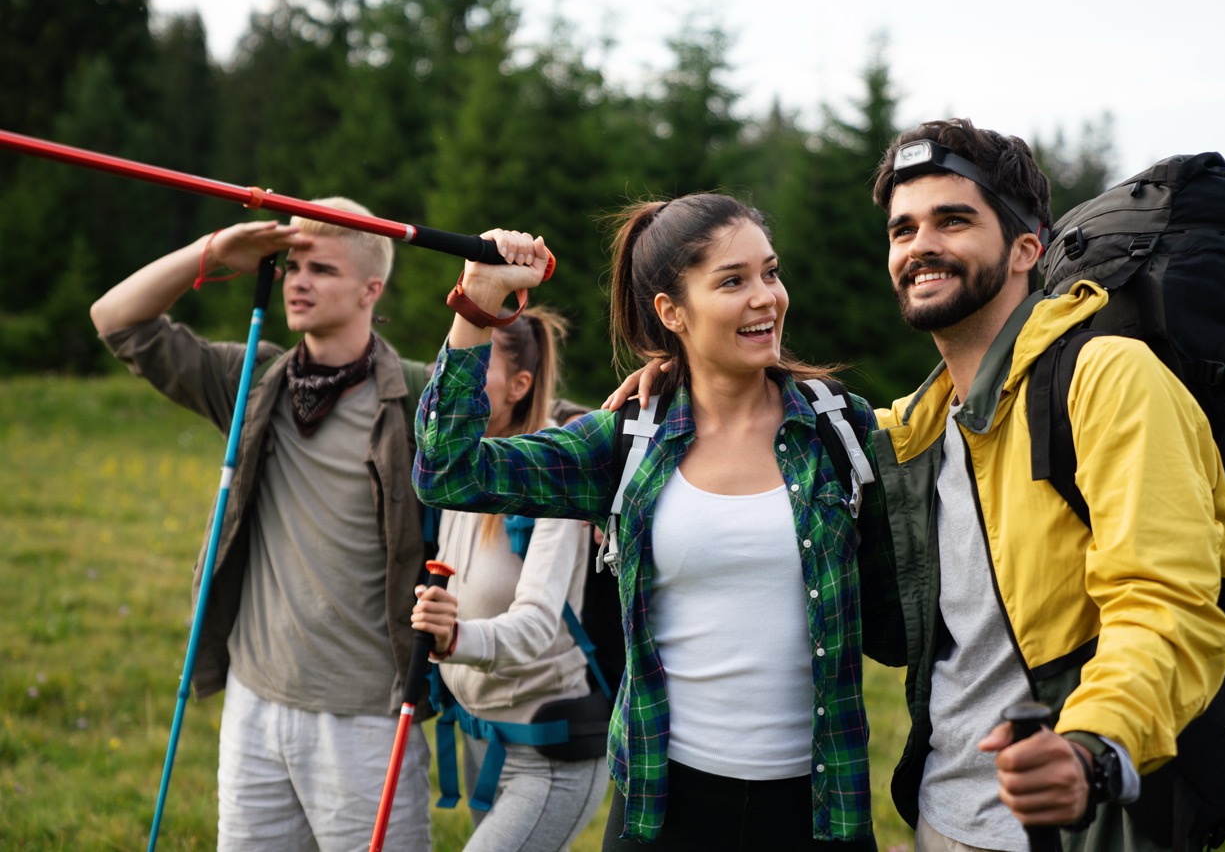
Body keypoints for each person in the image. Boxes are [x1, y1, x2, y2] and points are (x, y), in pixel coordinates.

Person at [610, 121, 1225, 850]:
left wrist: (1092, 747)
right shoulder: (911, 428)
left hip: (1076, 818)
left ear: (1026, 248)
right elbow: (771, 439)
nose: (920, 246)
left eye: (953, 220)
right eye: (902, 228)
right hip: (941, 816)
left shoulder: (1108, 379)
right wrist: (686, 378)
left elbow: (1166, 602)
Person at [410, 197, 906, 850]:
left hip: (818, 808)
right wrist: (479, 306)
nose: (766, 298)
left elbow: (896, 632)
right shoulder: (628, 442)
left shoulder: (840, 428)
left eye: (770, 272)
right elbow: (449, 470)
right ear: (672, 312)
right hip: (661, 807)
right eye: (732, 281)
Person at [89, 198, 434, 851]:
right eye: (291, 266)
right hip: (255, 702)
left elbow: (526, 413)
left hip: (366, 718)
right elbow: (116, 320)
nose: (298, 281)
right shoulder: (252, 379)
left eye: (321, 269)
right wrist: (216, 250)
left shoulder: (418, 398)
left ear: (371, 289)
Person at [408, 305, 610, 851]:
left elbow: (539, 625)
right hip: (480, 742)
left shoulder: (550, 478)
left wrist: (455, 639)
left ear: (519, 386)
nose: (453, 376)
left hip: (551, 753)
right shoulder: (461, 473)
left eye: (477, 366)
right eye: (452, 361)